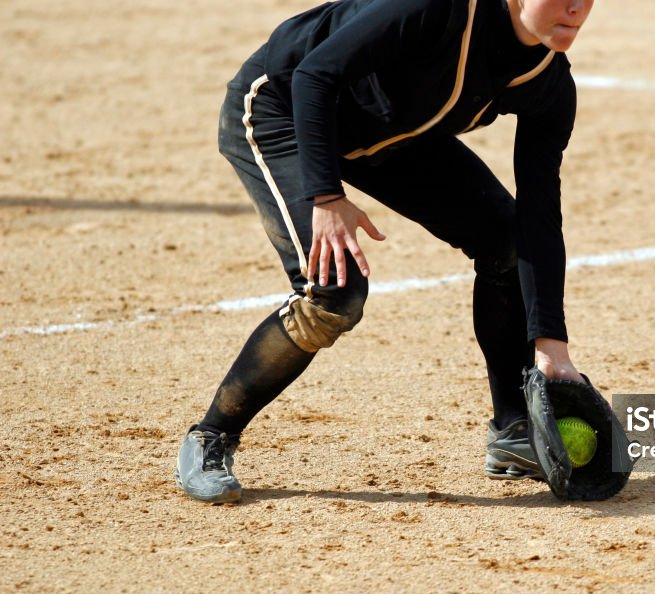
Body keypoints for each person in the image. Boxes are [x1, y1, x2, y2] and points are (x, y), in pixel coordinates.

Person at [176, 0, 596, 503]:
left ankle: (511, 431)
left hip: (388, 133)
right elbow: (315, 74)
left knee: (505, 240)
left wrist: (552, 347)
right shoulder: (437, 9)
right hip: (284, 106)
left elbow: (539, 218)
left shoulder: (548, 83)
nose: (576, 8)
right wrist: (326, 196)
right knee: (334, 294)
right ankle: (211, 436)